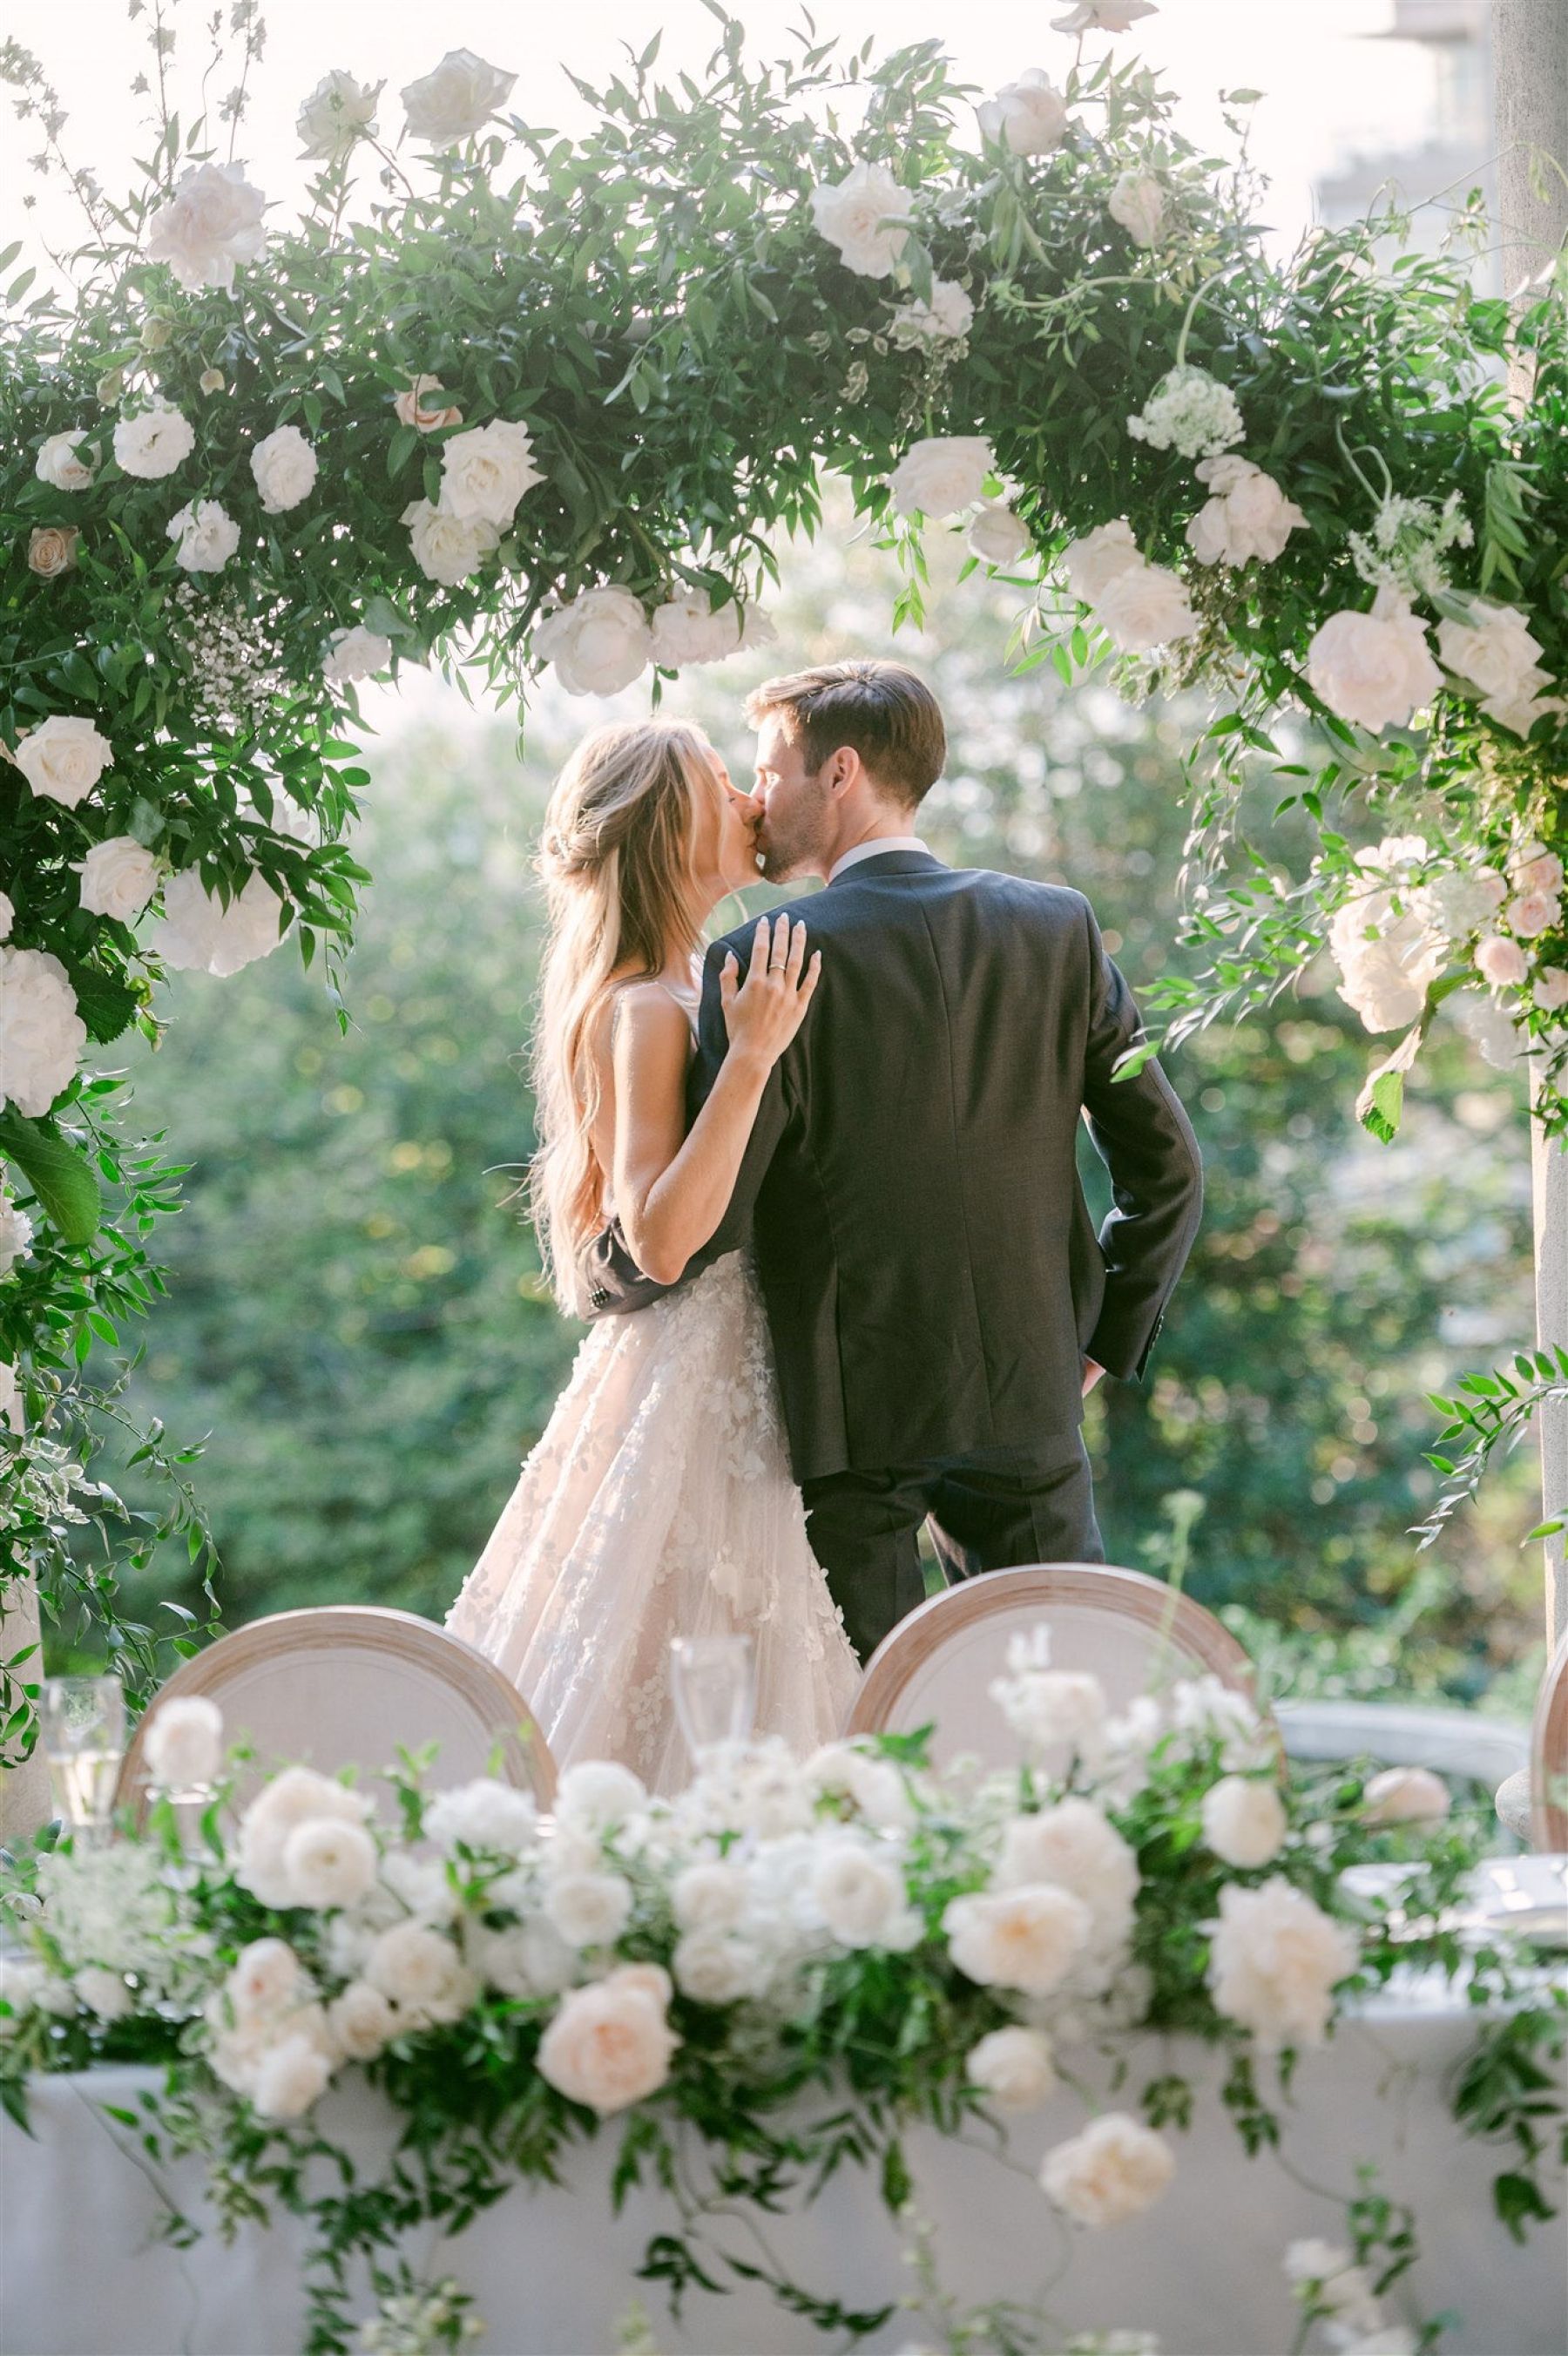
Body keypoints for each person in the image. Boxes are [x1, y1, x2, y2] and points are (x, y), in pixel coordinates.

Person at [580, 660, 1204, 1665]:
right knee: (1068, 1701)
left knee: (881, 1731)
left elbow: (708, 1228)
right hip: (1028, 1392)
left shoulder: (766, 956)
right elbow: (1167, 1167)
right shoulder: (1057, 926)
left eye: (771, 771)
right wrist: (1095, 1339)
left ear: (840, 774)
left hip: (849, 1421)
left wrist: (603, 1274)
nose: (759, 799)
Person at [446, 718, 857, 1791]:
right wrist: (754, 1058)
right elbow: (661, 1240)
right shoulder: (645, 1007)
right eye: (725, 788)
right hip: (693, 1376)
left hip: (725, 1371)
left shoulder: (683, 983)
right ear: (677, 832)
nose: (750, 804)